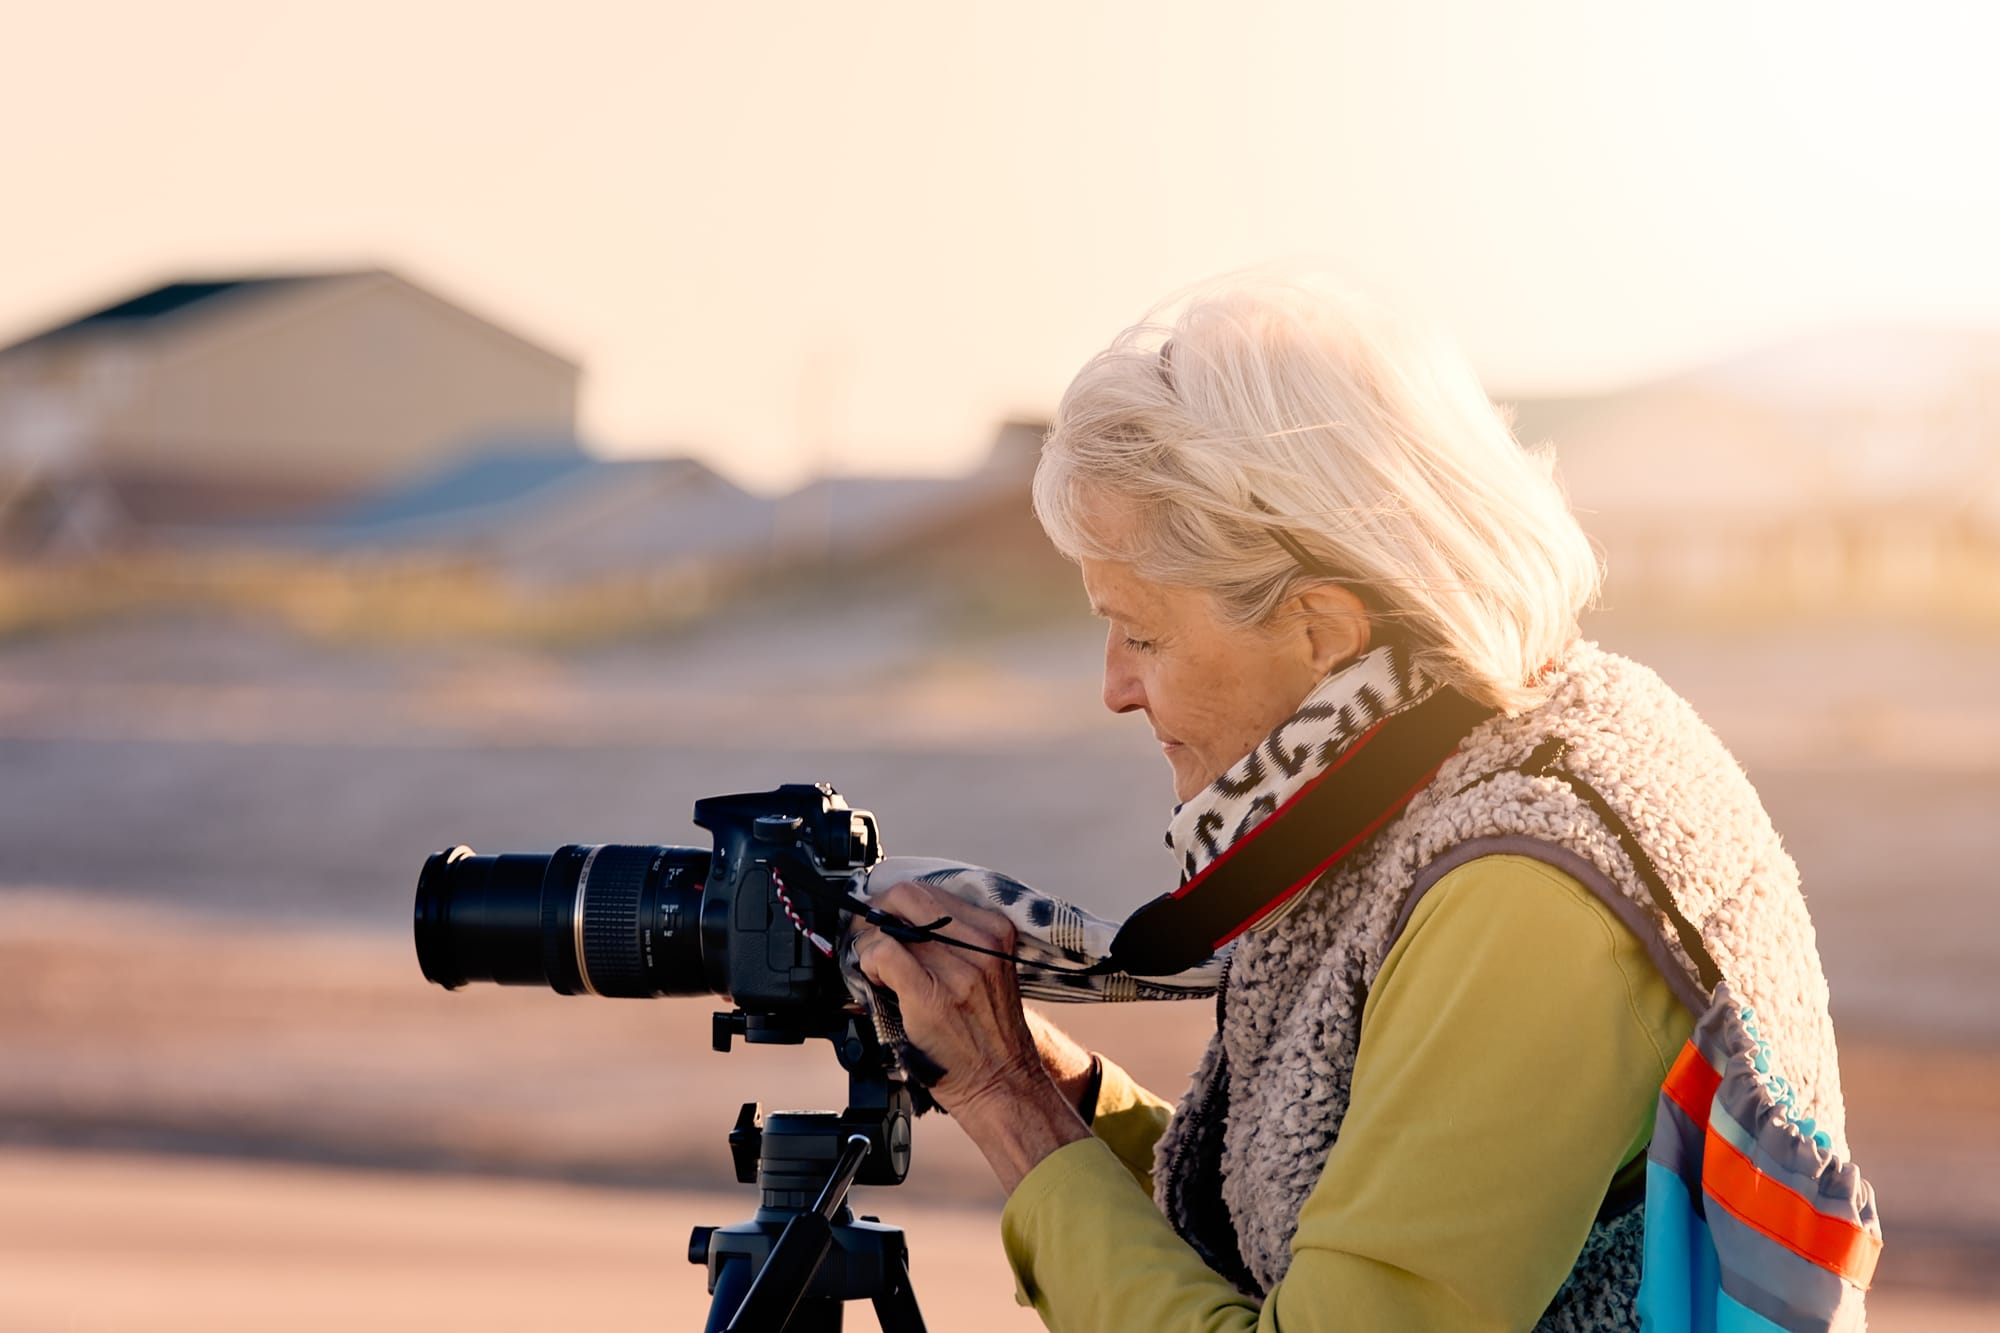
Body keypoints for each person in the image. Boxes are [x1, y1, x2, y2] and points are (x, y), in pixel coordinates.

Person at [849, 277, 1849, 1332]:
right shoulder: (1458, 762)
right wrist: (1045, 1076)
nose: (1114, 687)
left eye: (1140, 634)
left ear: (1322, 628)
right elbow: (1311, 1204)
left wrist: (1006, 1108)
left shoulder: (1523, 890)